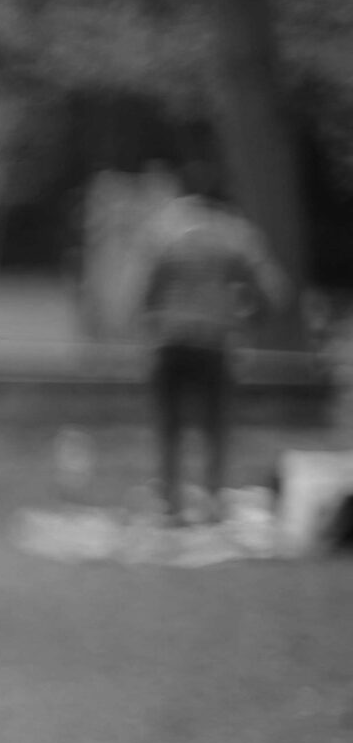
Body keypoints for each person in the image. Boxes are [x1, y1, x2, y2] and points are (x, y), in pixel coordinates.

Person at [132, 168, 291, 521]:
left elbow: (146, 292)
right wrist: (247, 318)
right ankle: (213, 501)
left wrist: (153, 322)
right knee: (215, 428)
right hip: (214, 341)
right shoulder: (236, 233)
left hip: (170, 340)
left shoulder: (166, 228)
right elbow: (272, 292)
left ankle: (171, 503)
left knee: (169, 428)